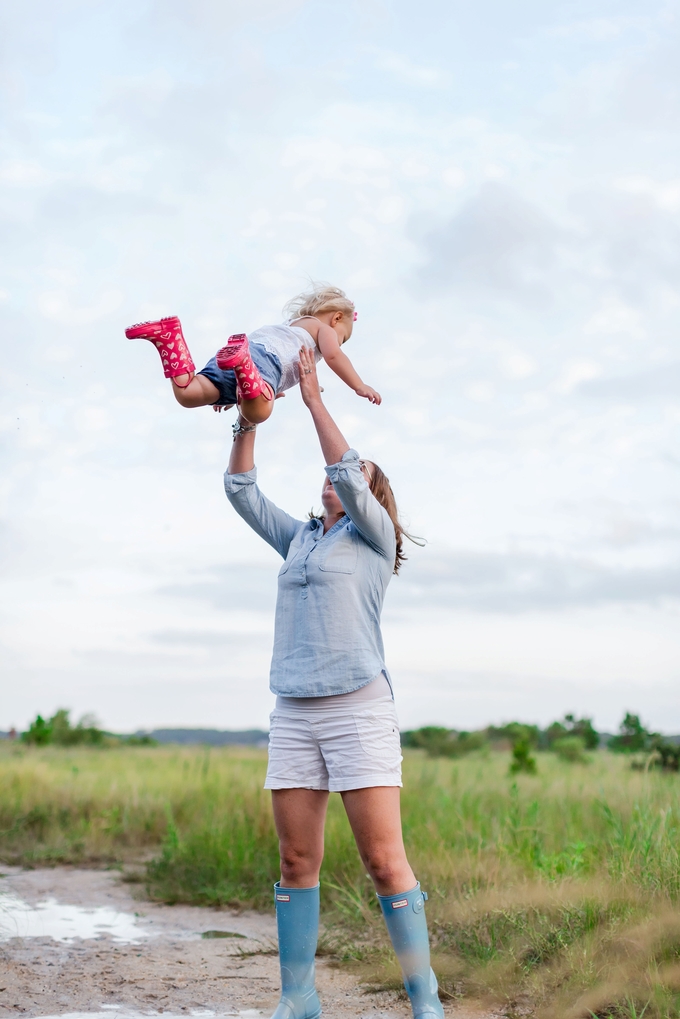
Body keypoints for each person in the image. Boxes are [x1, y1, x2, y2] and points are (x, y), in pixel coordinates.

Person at [223, 344, 443, 1019]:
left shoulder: (373, 539)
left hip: (358, 710)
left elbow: (345, 468)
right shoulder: (300, 539)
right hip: (293, 711)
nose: (335, 479)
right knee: (296, 859)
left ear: (369, 493)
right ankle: (299, 1000)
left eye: (354, 475)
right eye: (332, 476)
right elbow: (241, 491)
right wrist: (249, 412)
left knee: (383, 860)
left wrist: (316, 398)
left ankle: (425, 1000)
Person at [124, 284, 381, 428]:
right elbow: (335, 356)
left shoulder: (293, 326)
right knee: (257, 414)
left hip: (249, 350)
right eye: (343, 338)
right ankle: (244, 368)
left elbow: (289, 369)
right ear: (337, 319)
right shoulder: (321, 328)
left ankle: (169, 338)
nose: (339, 344)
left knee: (188, 395)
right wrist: (359, 385)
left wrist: (232, 387)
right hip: (262, 362)